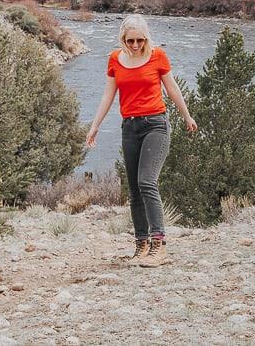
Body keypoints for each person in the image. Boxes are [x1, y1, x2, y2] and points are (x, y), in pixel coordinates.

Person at [85, 14, 198, 267]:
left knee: (147, 181)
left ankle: (160, 245)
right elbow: (108, 95)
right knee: (134, 190)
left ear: (146, 37)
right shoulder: (115, 59)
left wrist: (187, 116)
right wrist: (95, 127)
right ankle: (141, 245)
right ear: (123, 39)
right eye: (130, 40)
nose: (135, 45)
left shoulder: (158, 56)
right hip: (130, 127)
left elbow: (172, 89)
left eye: (139, 40)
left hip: (156, 124)